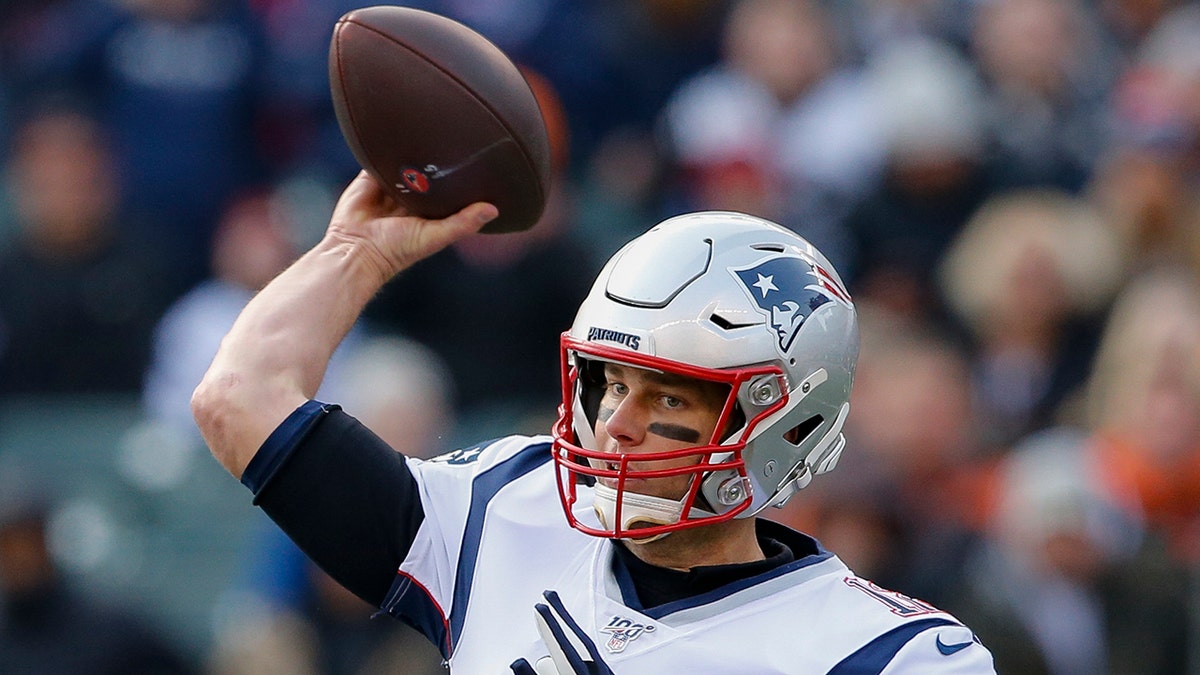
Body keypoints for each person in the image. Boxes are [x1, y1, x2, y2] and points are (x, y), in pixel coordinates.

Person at [191, 172, 996, 672]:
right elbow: (239, 397)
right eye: (612, 383)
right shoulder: (506, 505)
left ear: (782, 421)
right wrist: (357, 252)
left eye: (669, 397)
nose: (616, 421)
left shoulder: (885, 653)